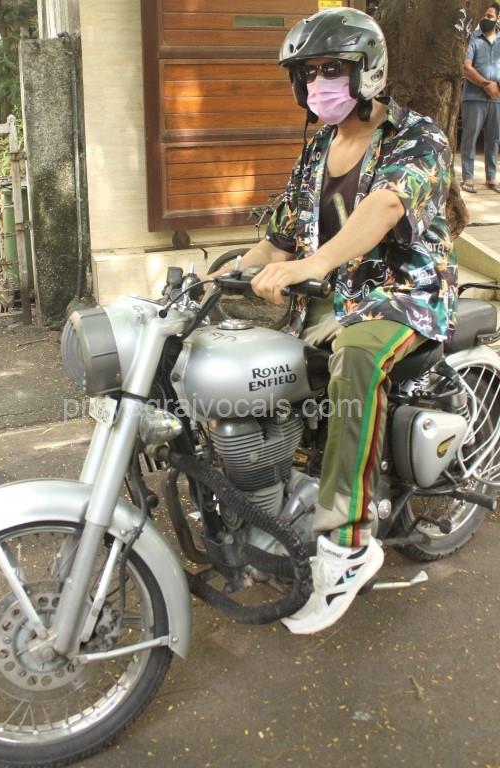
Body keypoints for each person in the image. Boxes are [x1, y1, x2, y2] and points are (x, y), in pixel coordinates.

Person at [219, 9, 457, 634]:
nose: (318, 83)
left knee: (356, 357)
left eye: (332, 69)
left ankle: (348, 546)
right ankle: (266, 495)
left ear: (367, 71)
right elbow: (278, 238)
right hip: (327, 298)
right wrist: (220, 277)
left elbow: (384, 207)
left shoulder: (418, 138)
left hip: (400, 297)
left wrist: (314, 263)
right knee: (247, 361)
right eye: (308, 73)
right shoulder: (318, 148)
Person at [460, 3, 500, 193]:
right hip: (473, 97)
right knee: (470, 138)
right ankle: (468, 178)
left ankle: (491, 178)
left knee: (494, 139)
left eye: (490, 16)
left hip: (497, 99)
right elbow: (466, 68)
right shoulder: (473, 39)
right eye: (484, 15)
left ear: (498, 18)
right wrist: (486, 84)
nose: (486, 19)